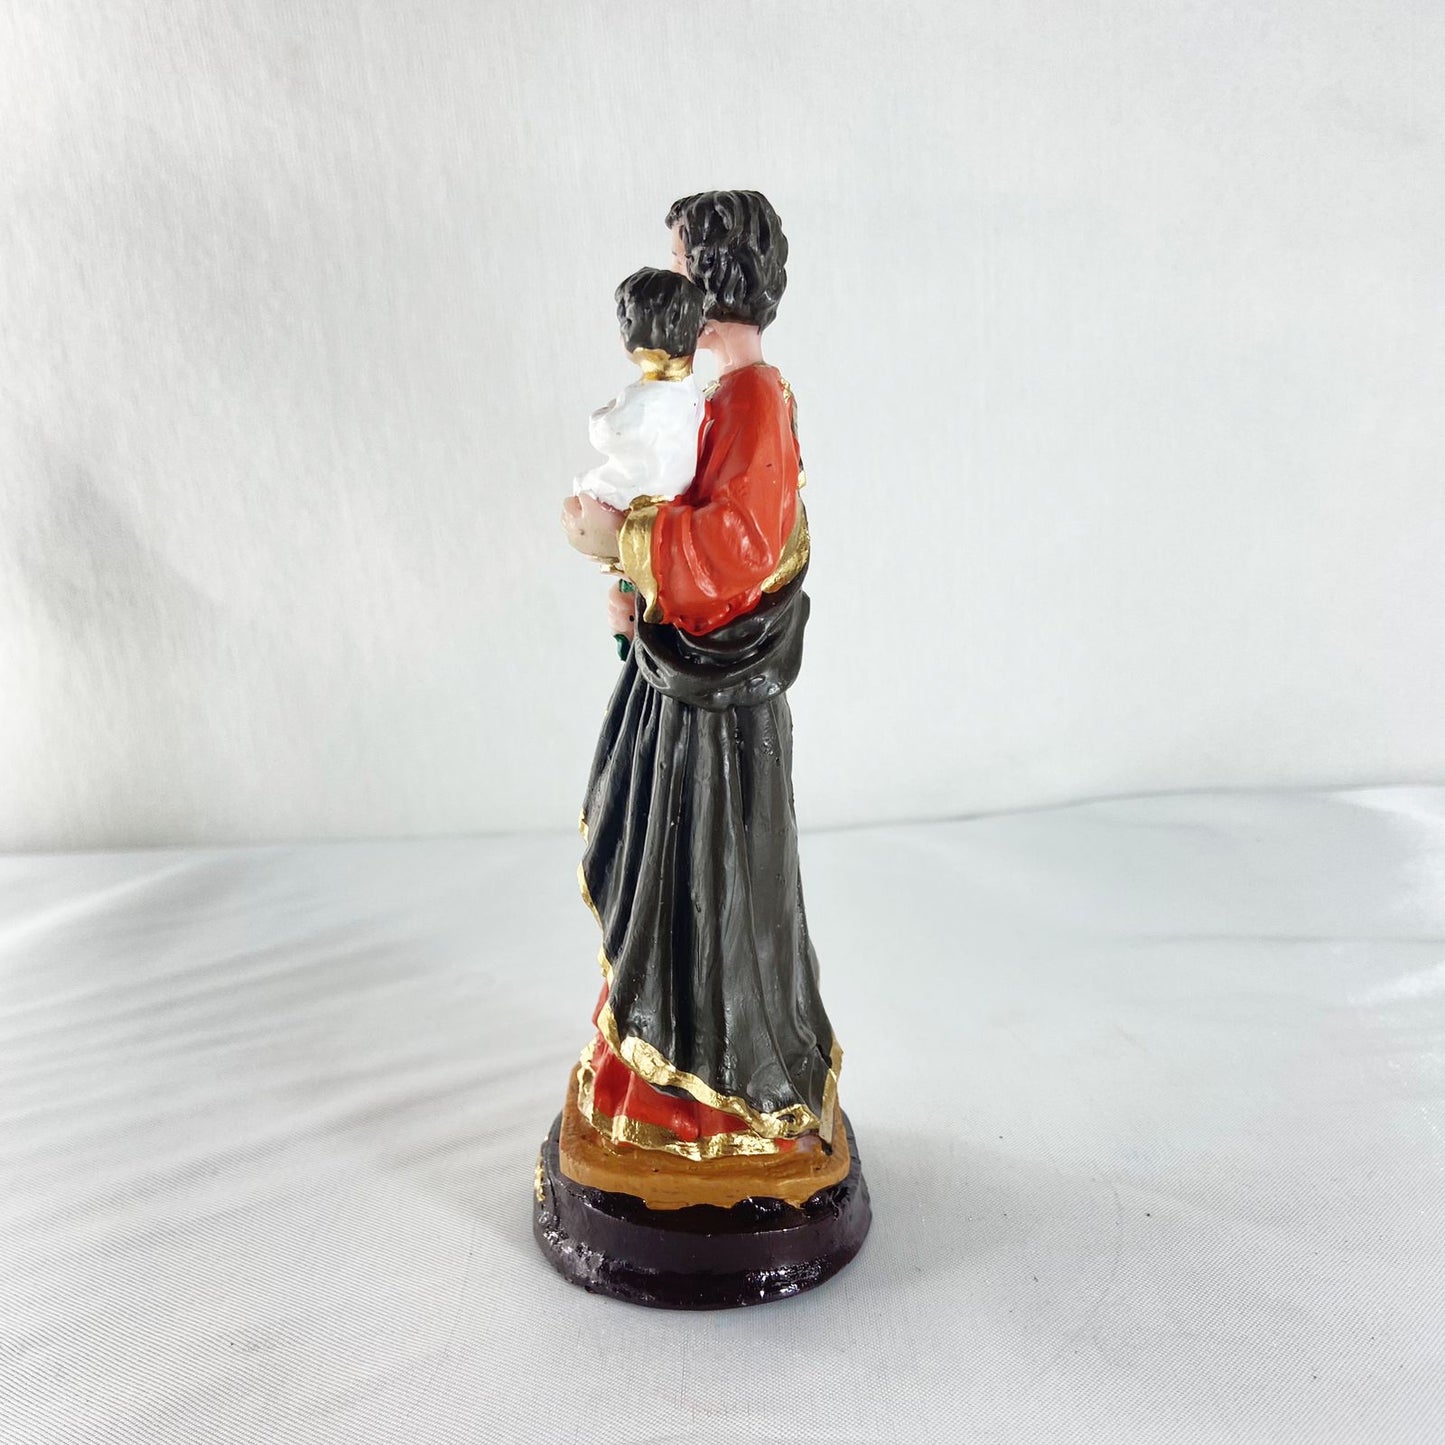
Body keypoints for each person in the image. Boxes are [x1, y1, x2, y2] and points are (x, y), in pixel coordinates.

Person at [560, 191, 836, 1161]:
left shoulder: (751, 402)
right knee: (665, 880)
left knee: (703, 895)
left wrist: (626, 539)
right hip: (684, 694)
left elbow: (734, 554)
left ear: (713, 286)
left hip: (715, 725)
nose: (670, 285)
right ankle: (657, 1072)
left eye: (680, 267)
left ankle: (708, 1100)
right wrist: (637, 594)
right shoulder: (718, 400)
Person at [572, 267, 706, 516]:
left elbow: (607, 434)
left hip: (638, 490)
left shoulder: (645, 399)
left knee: (586, 485)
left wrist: (603, 413)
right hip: (676, 488)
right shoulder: (692, 393)